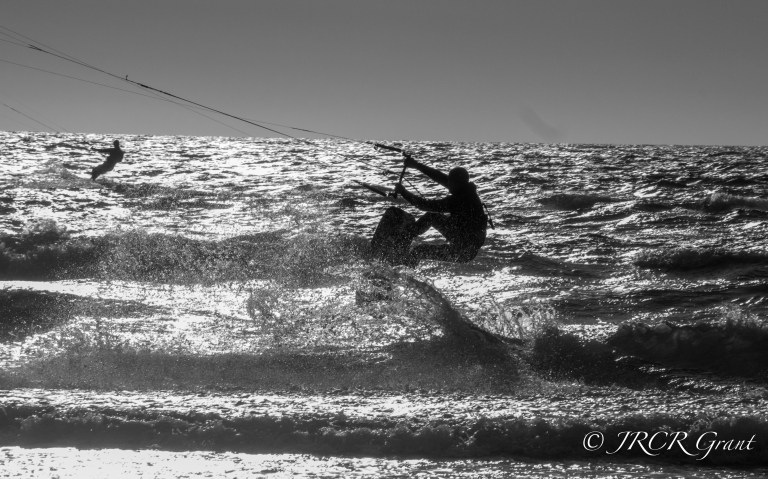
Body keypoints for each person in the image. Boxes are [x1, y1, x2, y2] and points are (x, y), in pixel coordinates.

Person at [393, 155, 488, 263]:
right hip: (461, 239)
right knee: (431, 216)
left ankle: (401, 264)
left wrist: (404, 192)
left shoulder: (460, 200)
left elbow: (425, 205)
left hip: (463, 252)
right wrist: (416, 166)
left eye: (450, 182)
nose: (448, 185)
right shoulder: (465, 190)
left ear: (457, 184)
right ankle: (405, 237)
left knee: (419, 251)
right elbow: (439, 177)